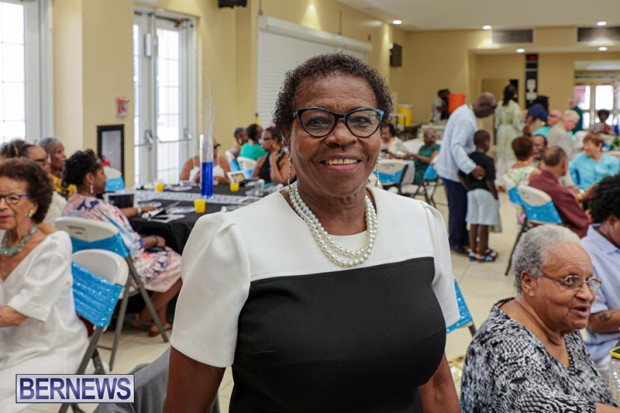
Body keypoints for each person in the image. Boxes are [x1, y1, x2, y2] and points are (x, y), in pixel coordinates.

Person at [165, 53, 460, 413]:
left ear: (379, 133)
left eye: (361, 120)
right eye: (317, 121)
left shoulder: (421, 223)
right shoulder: (231, 242)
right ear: (286, 136)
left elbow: (436, 384)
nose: (342, 136)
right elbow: (185, 405)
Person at [460, 224, 616, 412]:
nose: (588, 295)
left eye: (589, 282)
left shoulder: (560, 321)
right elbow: (537, 406)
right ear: (529, 282)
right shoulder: (502, 347)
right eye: (570, 281)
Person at [62, 149, 182, 337]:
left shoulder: (71, 204)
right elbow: (132, 246)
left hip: (85, 269)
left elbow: (109, 216)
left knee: (165, 255)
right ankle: (146, 316)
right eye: (102, 173)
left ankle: (159, 321)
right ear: (90, 178)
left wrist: (139, 210)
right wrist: (155, 239)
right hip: (121, 270)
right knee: (179, 263)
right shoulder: (103, 209)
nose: (105, 178)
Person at [0, 158, 88, 413]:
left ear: (34, 203)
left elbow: (16, 315)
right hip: (6, 343)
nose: (2, 206)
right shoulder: (4, 235)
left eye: (12, 198)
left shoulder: (54, 246)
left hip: (48, 350)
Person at [435, 92, 496, 254]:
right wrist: (472, 167)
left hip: (454, 168)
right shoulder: (466, 119)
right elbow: (457, 146)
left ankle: (462, 237)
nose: (487, 115)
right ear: (481, 105)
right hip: (453, 170)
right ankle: (456, 241)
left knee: (462, 206)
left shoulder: (465, 112)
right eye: (487, 112)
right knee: (458, 208)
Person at [582, 174, 620, 378]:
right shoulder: (584, 256)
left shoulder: (616, 240)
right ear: (612, 220)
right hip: (610, 349)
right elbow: (595, 321)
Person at [529, 147, 589, 237]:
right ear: (564, 163)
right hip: (561, 235)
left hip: (538, 229)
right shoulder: (559, 191)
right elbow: (582, 222)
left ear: (542, 162)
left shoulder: (534, 181)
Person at [458, 130, 499, 262]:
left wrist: (468, 187)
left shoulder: (468, 158)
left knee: (474, 222)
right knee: (484, 224)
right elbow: (489, 181)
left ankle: (473, 251)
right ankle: (482, 253)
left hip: (471, 192)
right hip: (485, 193)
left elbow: (460, 175)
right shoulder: (488, 160)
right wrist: (495, 195)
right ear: (486, 142)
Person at [20, 144, 67, 226]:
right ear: (25, 163)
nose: (48, 163)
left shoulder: (50, 191)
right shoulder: (18, 192)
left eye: (47, 158)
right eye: (42, 161)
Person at [494, 84, 524, 185]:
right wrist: (522, 129)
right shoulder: (515, 106)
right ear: (514, 94)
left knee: (501, 155)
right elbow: (517, 122)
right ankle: (510, 180)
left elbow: (496, 122)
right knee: (511, 155)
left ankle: (499, 180)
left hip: (502, 130)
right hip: (511, 131)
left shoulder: (499, 104)